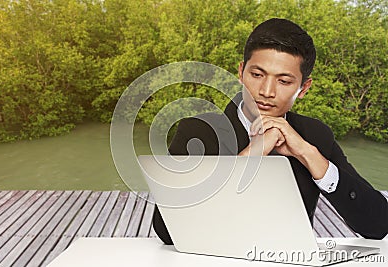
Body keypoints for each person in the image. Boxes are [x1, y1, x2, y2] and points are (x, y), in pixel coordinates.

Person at [152, 18, 388, 245]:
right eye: (257, 75)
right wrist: (249, 156)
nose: (266, 91)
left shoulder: (315, 134)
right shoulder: (197, 130)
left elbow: (378, 225)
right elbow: (166, 230)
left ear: (303, 88)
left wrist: (309, 155)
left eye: (284, 81)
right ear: (241, 72)